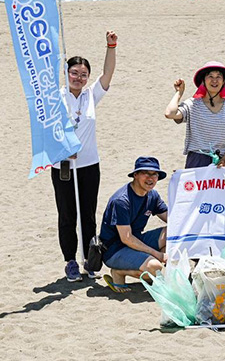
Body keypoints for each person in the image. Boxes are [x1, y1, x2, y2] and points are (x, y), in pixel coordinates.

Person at [52, 31, 118, 282]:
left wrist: (111, 46)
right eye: (74, 73)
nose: (78, 78)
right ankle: (70, 261)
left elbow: (108, 74)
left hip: (89, 164)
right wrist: (63, 146)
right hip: (63, 166)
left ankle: (90, 260)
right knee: (67, 214)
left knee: (88, 214)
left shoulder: (92, 95)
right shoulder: (56, 97)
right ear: (66, 74)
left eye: (83, 74)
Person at [99, 157, 168, 293]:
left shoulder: (152, 195)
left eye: (154, 174)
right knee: (156, 268)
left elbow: (173, 220)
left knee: (173, 233)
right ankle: (119, 272)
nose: (150, 178)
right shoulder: (121, 201)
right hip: (115, 249)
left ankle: (146, 265)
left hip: (136, 241)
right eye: (145, 173)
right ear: (135, 175)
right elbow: (126, 238)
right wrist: (157, 255)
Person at [165, 61, 225, 168]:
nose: (214, 80)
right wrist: (179, 93)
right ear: (203, 80)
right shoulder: (192, 104)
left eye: (218, 77)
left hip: (223, 161)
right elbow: (170, 113)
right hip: (197, 159)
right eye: (210, 76)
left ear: (224, 81)